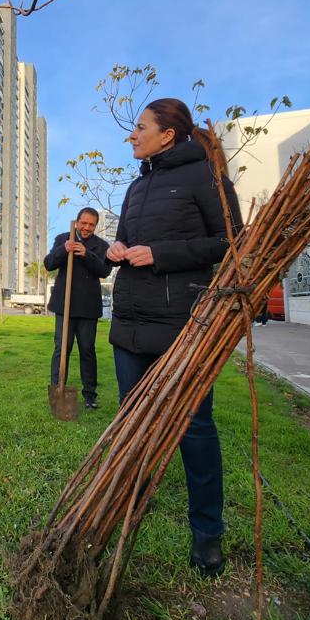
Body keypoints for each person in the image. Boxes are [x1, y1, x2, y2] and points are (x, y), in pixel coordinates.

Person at [106, 97, 242, 576]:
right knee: (131, 419)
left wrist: (161, 254)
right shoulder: (135, 187)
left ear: (167, 135)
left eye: (140, 127)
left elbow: (230, 241)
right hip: (129, 321)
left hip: (179, 324)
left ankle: (207, 532)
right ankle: (128, 501)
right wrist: (118, 248)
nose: (132, 134)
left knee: (194, 427)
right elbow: (125, 242)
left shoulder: (206, 177)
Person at [43, 207, 111, 409]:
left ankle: (90, 395)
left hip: (88, 308)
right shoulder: (63, 238)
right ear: (77, 222)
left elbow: (104, 271)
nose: (87, 227)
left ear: (95, 226)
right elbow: (49, 264)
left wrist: (86, 254)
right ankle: (57, 389)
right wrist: (64, 249)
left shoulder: (101, 246)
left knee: (87, 350)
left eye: (91, 224)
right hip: (64, 306)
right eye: (84, 223)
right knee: (61, 349)